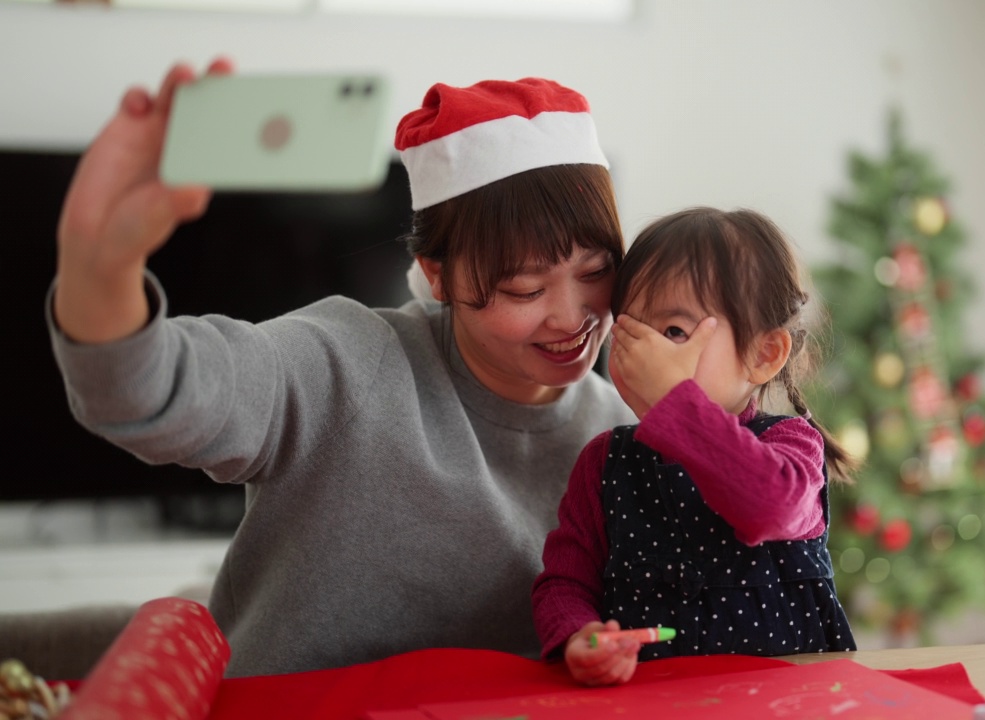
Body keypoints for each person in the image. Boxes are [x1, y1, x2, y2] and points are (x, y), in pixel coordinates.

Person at [47, 60, 636, 677]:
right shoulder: (347, 364)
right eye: (522, 288)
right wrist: (99, 265)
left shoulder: (625, 434)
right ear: (438, 276)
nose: (573, 317)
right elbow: (150, 390)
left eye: (596, 272)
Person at [531, 207, 858, 686]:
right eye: (631, 331)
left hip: (787, 701)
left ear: (764, 354)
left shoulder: (791, 445)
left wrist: (676, 406)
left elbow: (769, 507)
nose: (645, 355)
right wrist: (581, 636)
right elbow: (565, 582)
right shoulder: (606, 463)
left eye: (674, 333)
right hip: (654, 704)